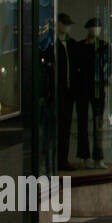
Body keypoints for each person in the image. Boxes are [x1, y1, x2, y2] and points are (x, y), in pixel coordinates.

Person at [71, 17, 111, 170]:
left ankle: (98, 157)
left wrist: (104, 78)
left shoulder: (104, 46)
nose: (95, 30)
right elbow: (75, 66)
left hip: (97, 88)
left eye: (97, 27)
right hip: (83, 88)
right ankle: (84, 156)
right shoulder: (80, 46)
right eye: (92, 27)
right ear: (87, 29)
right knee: (82, 123)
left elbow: (111, 64)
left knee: (98, 124)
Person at [40, 13, 77, 171]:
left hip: (68, 92)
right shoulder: (50, 45)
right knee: (52, 129)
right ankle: (51, 161)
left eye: (69, 24)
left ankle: (62, 159)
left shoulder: (72, 44)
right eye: (65, 24)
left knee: (65, 128)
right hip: (54, 93)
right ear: (59, 24)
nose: (68, 27)